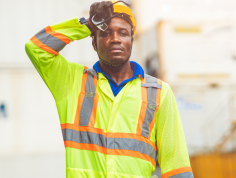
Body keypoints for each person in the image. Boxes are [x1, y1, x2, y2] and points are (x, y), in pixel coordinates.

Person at [25, 1, 193, 178]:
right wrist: (87, 25)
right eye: (105, 33)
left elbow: (176, 167)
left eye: (123, 33)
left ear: (131, 41)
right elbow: (36, 48)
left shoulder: (159, 92)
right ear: (94, 44)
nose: (115, 39)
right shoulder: (72, 82)